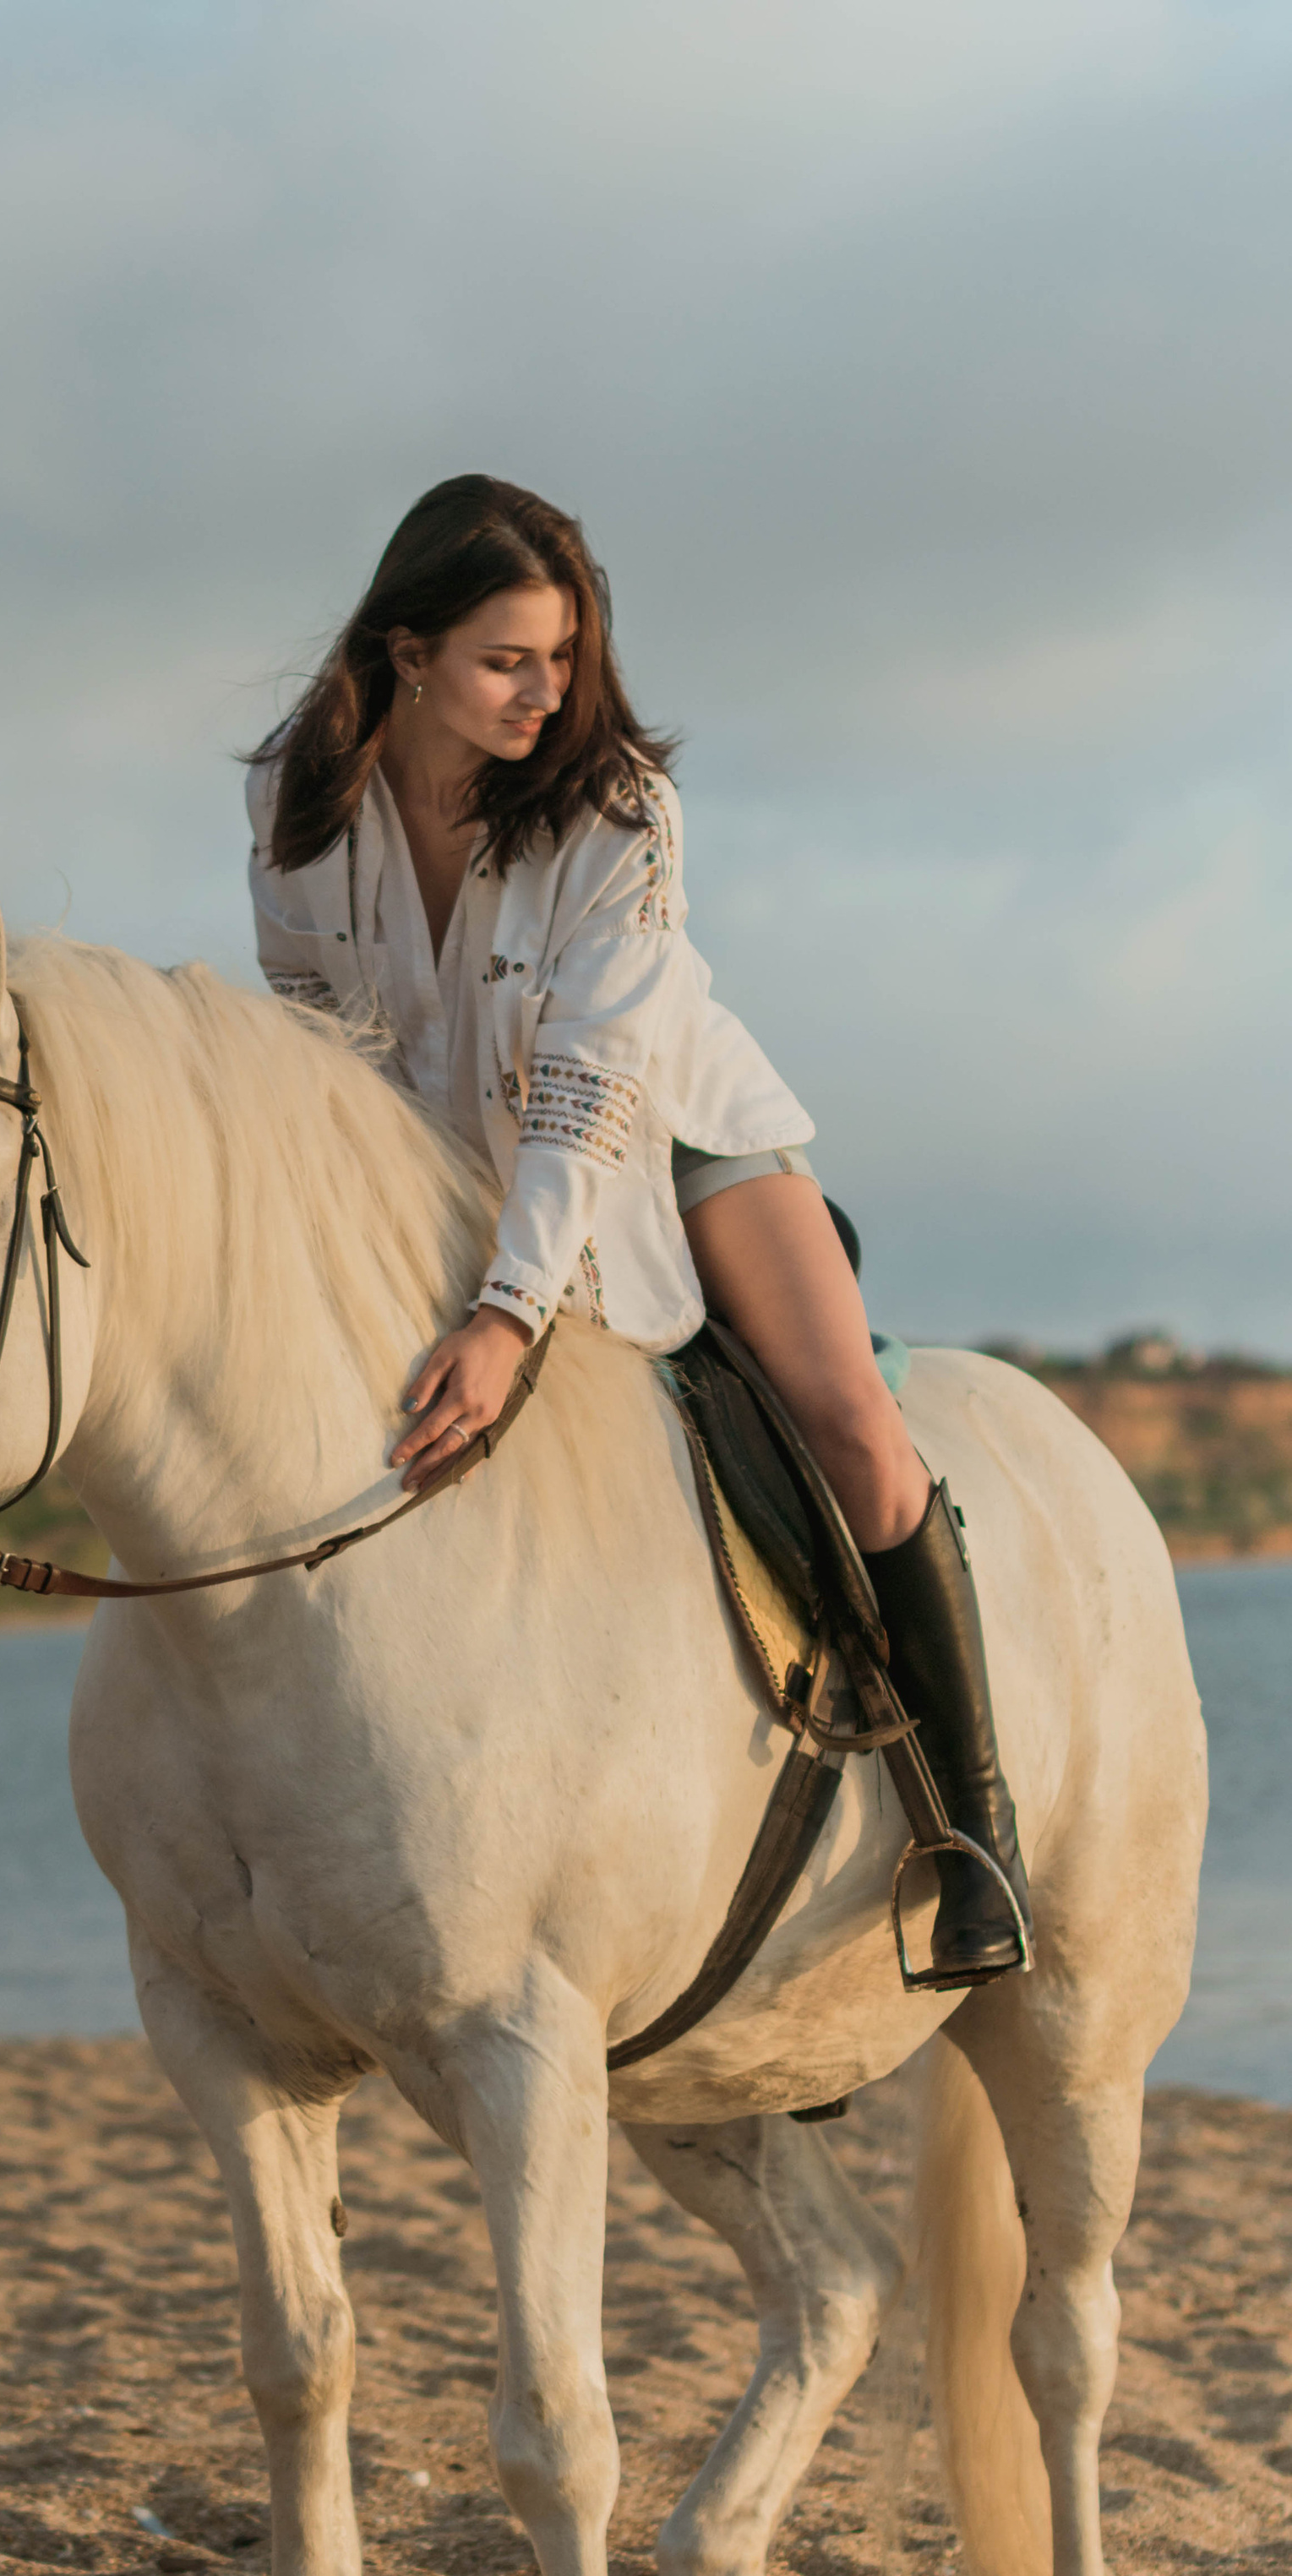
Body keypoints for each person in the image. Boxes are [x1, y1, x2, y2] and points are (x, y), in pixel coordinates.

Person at [245, 473, 1028, 1981]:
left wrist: (506, 1310)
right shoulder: (298, 794)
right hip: (439, 1161)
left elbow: (593, 1093)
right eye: (507, 660)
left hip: (665, 1138)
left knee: (853, 1421)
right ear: (408, 653)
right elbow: (319, 1049)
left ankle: (969, 1832)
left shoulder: (618, 812)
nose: (549, 694)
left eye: (566, 657)